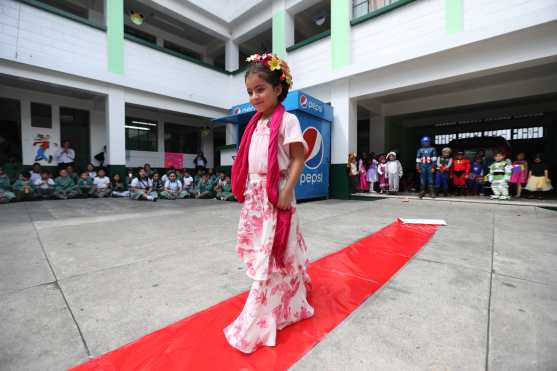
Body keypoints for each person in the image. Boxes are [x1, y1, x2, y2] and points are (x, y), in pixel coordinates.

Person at [224, 53, 314, 354]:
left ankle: (261, 316)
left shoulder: (288, 120)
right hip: (256, 195)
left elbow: (299, 156)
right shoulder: (255, 123)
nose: (254, 96)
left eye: (260, 89)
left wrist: (288, 190)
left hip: (276, 194)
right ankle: (284, 305)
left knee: (273, 254)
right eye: (250, 91)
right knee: (268, 252)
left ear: (278, 88)